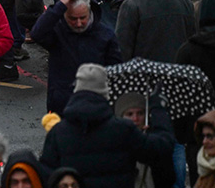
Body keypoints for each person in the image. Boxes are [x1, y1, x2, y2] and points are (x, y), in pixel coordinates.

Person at [40, 64, 175, 188]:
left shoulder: (58, 132)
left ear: (76, 89)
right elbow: (161, 148)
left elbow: (45, 175)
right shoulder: (123, 130)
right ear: (105, 92)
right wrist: (158, 110)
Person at [31, 0, 122, 114]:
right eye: (73, 19)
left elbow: (116, 71)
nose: (79, 23)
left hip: (95, 106)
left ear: (90, 12)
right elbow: (37, 34)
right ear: (64, 14)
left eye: (83, 18)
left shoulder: (105, 36)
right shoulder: (58, 32)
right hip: (62, 106)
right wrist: (58, 7)